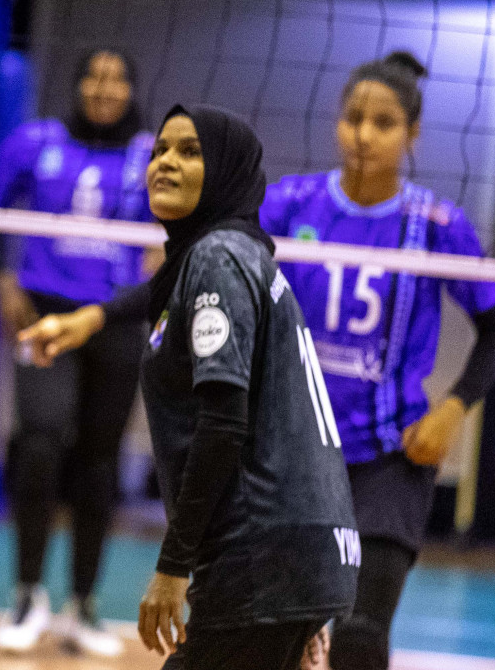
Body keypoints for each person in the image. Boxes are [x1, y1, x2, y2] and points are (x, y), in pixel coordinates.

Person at [23, 105, 358, 670]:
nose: (165, 163)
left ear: (227, 169)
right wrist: (92, 319)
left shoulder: (216, 258)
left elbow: (223, 425)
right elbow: (161, 295)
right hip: (301, 551)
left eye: (189, 151)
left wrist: (173, 566)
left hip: (260, 555)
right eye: (159, 151)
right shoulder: (237, 256)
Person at [257, 53, 495, 670]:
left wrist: (453, 411)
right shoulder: (290, 204)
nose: (364, 135)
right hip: (295, 450)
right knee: (270, 635)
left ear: (412, 134)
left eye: (384, 123)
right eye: (352, 119)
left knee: (360, 631)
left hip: (388, 459)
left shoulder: (436, 224)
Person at [0, 48, 153, 657]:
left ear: (131, 90)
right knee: (41, 443)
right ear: (77, 86)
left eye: (117, 78)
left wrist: (162, 258)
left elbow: (177, 227)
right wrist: (2, 280)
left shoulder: (150, 154)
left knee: (99, 461)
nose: (105, 89)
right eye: (94, 77)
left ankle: (84, 605)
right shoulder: (35, 143)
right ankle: (28, 593)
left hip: (116, 317)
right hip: (45, 315)